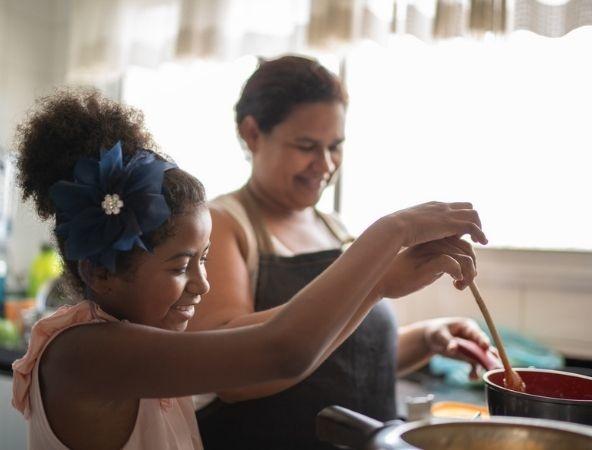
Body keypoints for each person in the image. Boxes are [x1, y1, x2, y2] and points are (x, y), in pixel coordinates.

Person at [11, 88, 486, 450]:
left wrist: (380, 281)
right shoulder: (86, 354)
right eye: (181, 265)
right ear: (100, 273)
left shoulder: (136, 339)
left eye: (203, 258)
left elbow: (287, 340)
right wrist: (392, 232)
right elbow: (280, 350)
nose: (202, 282)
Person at [189, 55, 494, 450]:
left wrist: (426, 339)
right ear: (251, 134)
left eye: (336, 146)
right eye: (306, 146)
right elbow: (232, 375)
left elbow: (339, 358)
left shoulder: (334, 228)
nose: (326, 164)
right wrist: (378, 277)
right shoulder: (224, 224)